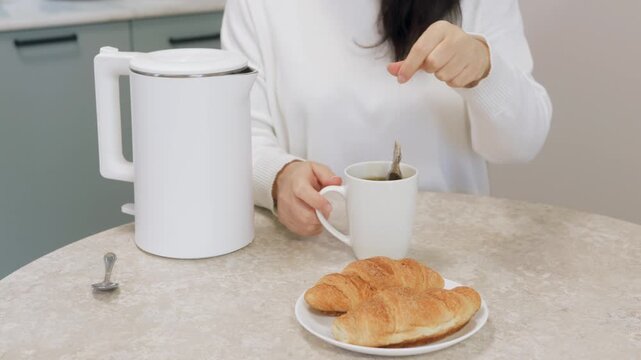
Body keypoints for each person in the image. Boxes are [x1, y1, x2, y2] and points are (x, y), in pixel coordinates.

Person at [221, 0, 552, 237]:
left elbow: (523, 143)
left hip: (455, 254)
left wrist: (484, 72)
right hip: (320, 249)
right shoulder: (257, 6)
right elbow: (238, 137)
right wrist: (279, 178)